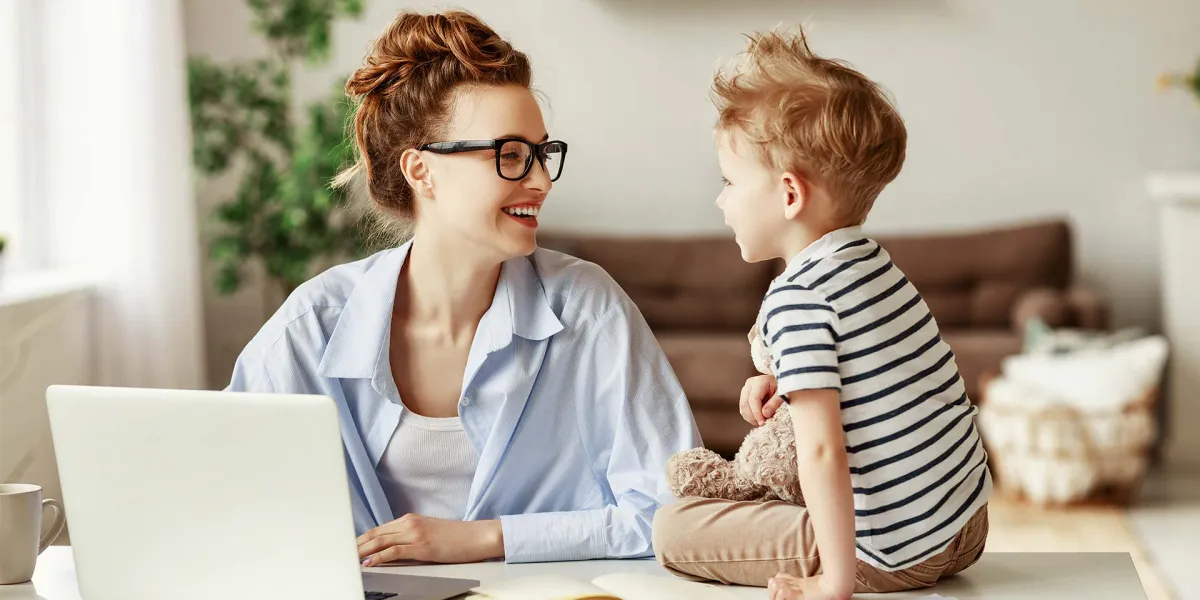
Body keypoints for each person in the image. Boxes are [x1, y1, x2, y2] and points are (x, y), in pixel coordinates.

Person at [225, 8, 700, 567]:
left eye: (542, 153)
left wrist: (482, 538)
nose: (541, 180)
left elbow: (675, 514)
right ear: (420, 170)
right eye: (510, 155)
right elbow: (227, 507)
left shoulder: (588, 310)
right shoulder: (312, 327)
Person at [651, 25, 992, 600]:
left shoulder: (797, 297)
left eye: (729, 182)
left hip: (892, 550)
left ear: (788, 195)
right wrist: (780, 380)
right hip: (965, 523)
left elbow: (821, 450)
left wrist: (834, 581)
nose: (721, 200)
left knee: (673, 528)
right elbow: (875, 380)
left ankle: (842, 562)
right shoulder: (873, 264)